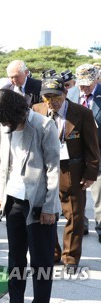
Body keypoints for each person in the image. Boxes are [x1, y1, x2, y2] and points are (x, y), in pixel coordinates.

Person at [0, 89, 60, 303]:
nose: (3, 124)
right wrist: (2, 194)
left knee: (41, 261)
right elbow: (7, 164)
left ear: (15, 111)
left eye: (4, 119)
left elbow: (53, 169)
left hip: (38, 204)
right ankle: (15, 299)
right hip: (13, 202)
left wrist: (49, 207)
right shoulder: (5, 124)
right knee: (15, 259)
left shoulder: (44, 126)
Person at [32, 75, 99, 273]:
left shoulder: (82, 113)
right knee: (45, 213)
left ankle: (70, 257)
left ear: (66, 93)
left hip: (73, 170)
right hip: (44, 171)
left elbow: (93, 148)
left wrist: (90, 173)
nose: (51, 102)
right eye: (47, 97)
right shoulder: (37, 110)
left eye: (56, 97)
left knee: (74, 216)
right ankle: (52, 252)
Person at [76, 63, 101, 243]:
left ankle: (100, 226)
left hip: (98, 153)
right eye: (81, 84)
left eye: (87, 84)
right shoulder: (71, 95)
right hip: (75, 153)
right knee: (77, 193)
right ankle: (80, 224)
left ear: (95, 80)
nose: (83, 88)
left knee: (99, 194)